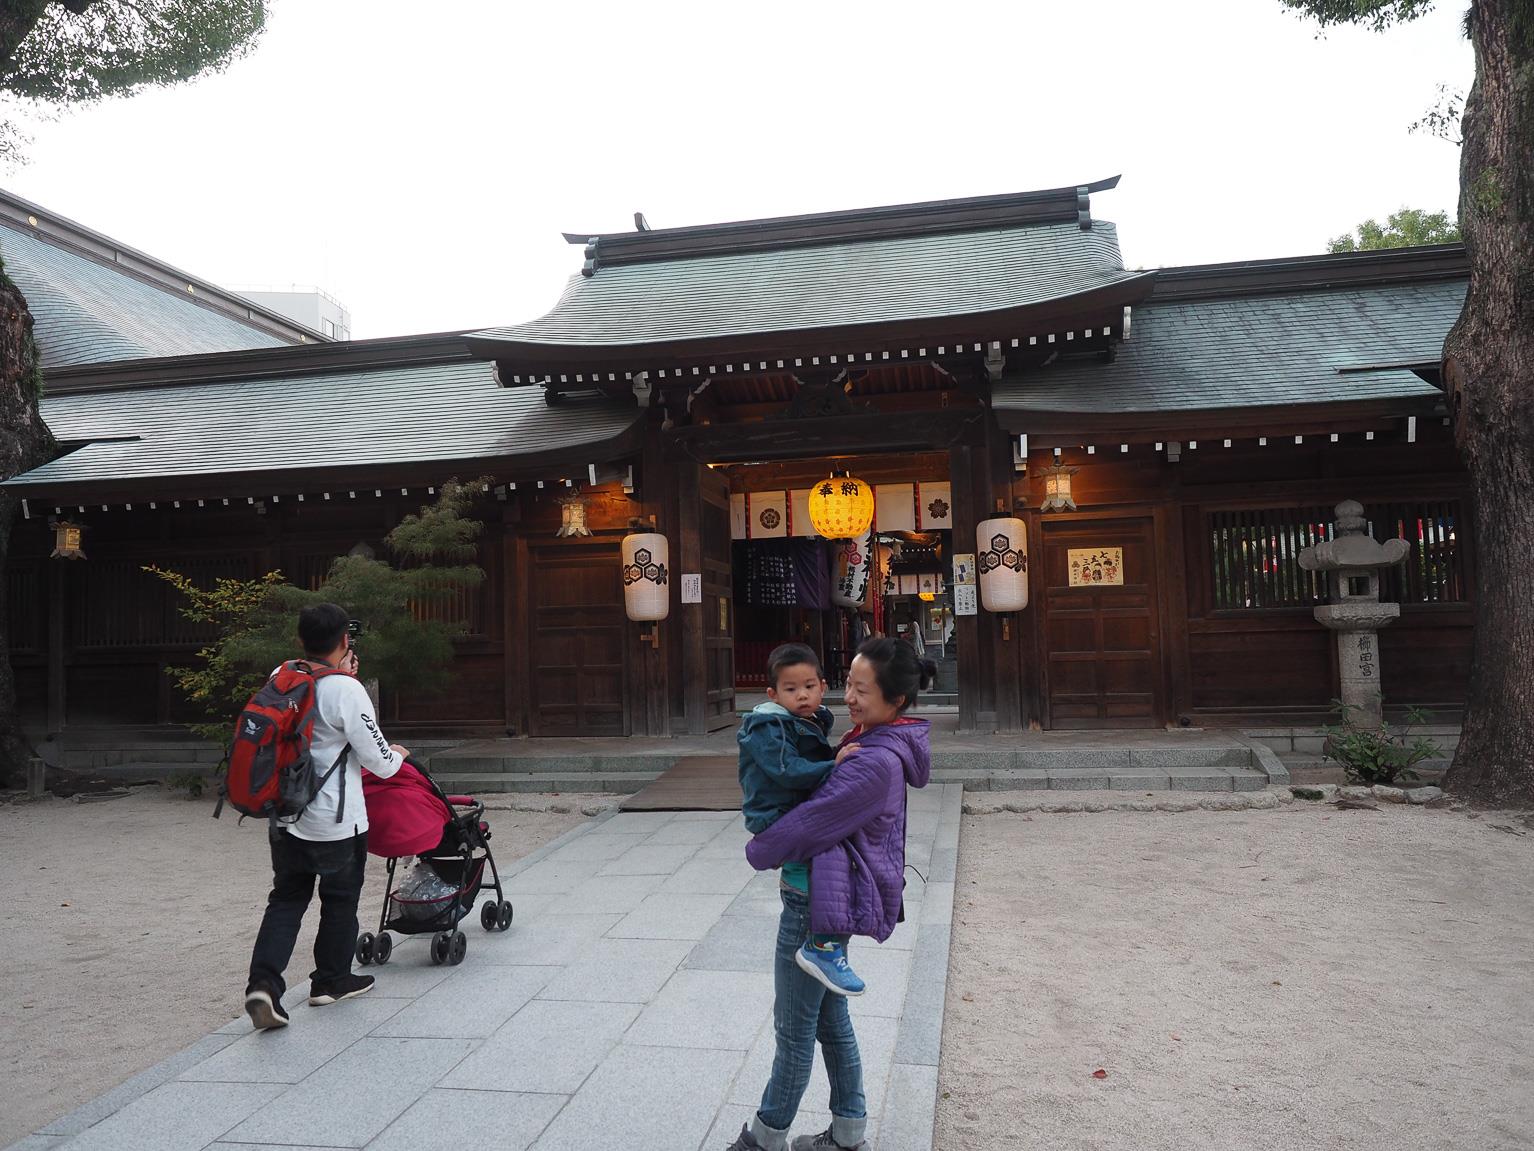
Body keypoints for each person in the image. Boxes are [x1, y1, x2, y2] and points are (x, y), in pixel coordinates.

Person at [729, 638, 934, 1151]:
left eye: (863, 690)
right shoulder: (872, 740)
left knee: (793, 1031)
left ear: (896, 700)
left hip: (812, 903)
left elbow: (812, 821)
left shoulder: (873, 761)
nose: (851, 698)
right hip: (823, 895)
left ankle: (763, 1140)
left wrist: (759, 850)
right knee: (829, 1023)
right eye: (849, 685)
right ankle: (848, 1136)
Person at [243, 603, 410, 1030]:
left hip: (285, 813)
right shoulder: (347, 690)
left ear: (301, 640)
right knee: (339, 899)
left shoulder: (281, 675)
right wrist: (399, 755)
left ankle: (263, 986)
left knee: (286, 899)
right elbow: (379, 761)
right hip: (336, 819)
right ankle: (331, 981)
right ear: (345, 641)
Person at [737, 642, 865, 998]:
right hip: (774, 814)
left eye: (809, 686)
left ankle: (828, 943)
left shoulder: (807, 719)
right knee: (827, 858)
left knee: (838, 855)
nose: (802, 695)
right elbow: (787, 770)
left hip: (793, 807)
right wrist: (832, 765)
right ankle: (821, 944)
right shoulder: (767, 727)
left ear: (823, 686)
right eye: (791, 689)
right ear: (773, 694)